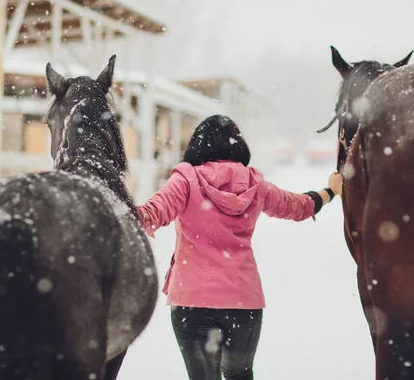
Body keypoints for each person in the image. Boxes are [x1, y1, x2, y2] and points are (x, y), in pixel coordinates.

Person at [136, 115, 343, 380]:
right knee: (239, 376)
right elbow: (299, 206)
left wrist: (112, 203)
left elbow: (150, 213)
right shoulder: (255, 185)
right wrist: (330, 190)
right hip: (241, 302)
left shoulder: (186, 179)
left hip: (191, 301)